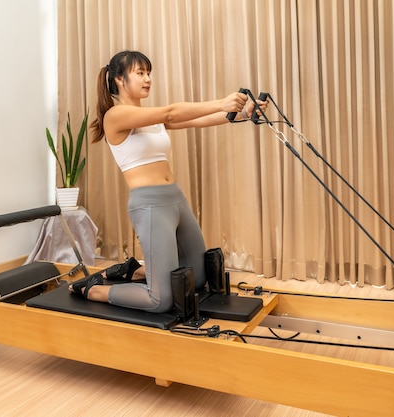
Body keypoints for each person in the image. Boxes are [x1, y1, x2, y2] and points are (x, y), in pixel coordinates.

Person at [69, 50, 267, 313]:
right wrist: (222, 102)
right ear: (119, 79)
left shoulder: (151, 117)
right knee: (160, 300)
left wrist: (242, 113)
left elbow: (197, 121)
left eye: (148, 73)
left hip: (175, 199)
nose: (147, 78)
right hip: (149, 205)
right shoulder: (115, 116)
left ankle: (134, 271)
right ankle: (93, 289)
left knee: (196, 279)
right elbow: (173, 112)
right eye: (140, 73)